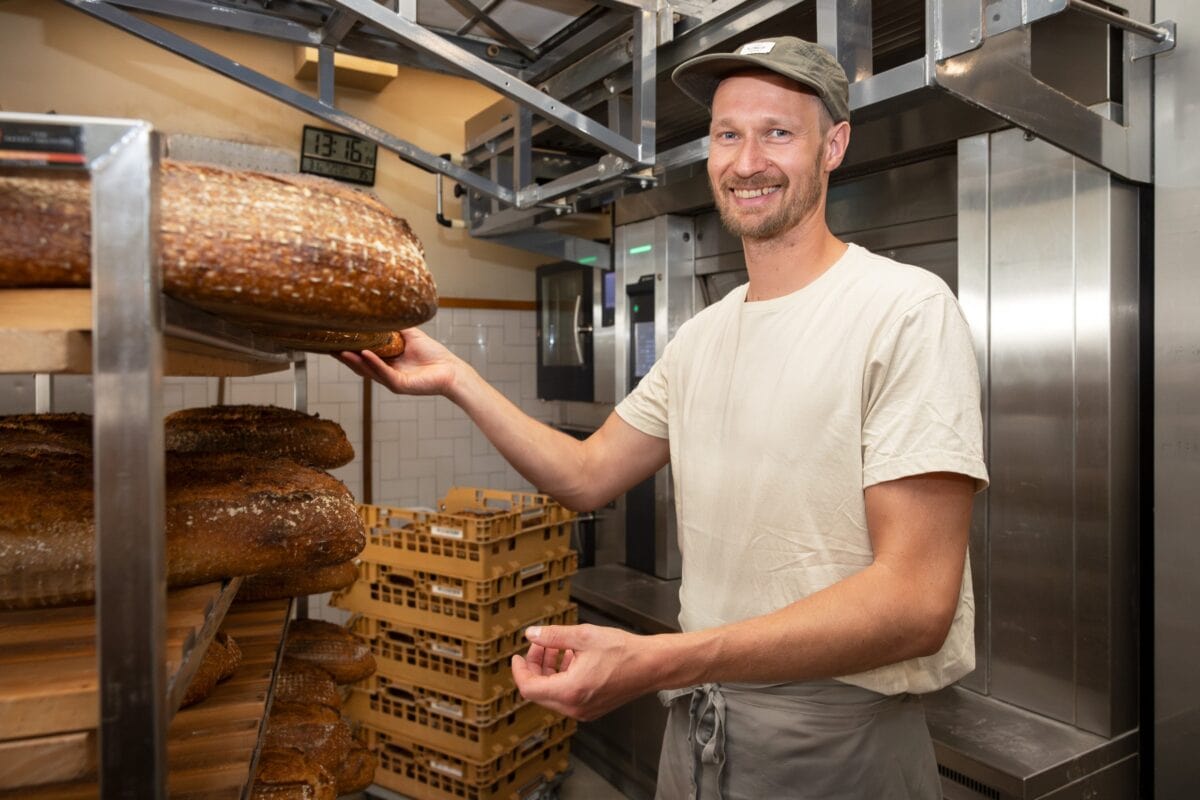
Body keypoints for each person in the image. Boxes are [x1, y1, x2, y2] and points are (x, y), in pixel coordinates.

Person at [337, 36, 987, 800]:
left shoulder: (904, 310)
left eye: (778, 132)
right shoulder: (702, 336)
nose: (747, 161)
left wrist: (665, 660)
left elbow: (915, 606)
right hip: (699, 736)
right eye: (726, 134)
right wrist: (459, 381)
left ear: (832, 145)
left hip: (836, 744)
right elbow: (586, 476)